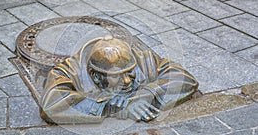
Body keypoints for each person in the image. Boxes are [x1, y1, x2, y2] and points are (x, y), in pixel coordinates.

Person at [40, 36, 198, 124]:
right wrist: (109, 107)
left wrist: (148, 93)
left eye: (130, 72)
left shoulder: (140, 58)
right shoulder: (70, 70)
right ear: (96, 76)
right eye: (116, 75)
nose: (127, 81)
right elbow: (50, 106)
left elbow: (186, 79)